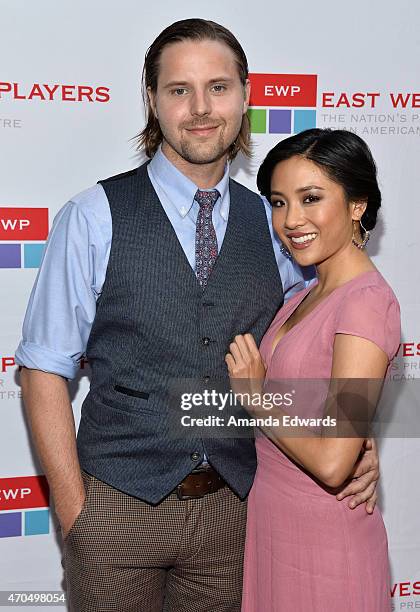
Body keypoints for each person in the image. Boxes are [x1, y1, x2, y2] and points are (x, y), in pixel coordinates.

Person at [15, 19, 379, 612]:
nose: (201, 108)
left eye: (218, 87)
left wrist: (356, 441)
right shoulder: (92, 216)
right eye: (179, 90)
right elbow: (43, 369)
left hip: (233, 511)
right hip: (116, 507)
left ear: (244, 96)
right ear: (152, 101)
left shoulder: (278, 224)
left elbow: (321, 340)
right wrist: (75, 510)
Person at [225, 128, 401, 611]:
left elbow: (332, 462)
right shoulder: (304, 293)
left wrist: (257, 395)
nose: (292, 220)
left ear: (357, 205)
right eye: (279, 203)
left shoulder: (366, 303)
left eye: (311, 198)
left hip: (326, 544)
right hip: (277, 527)